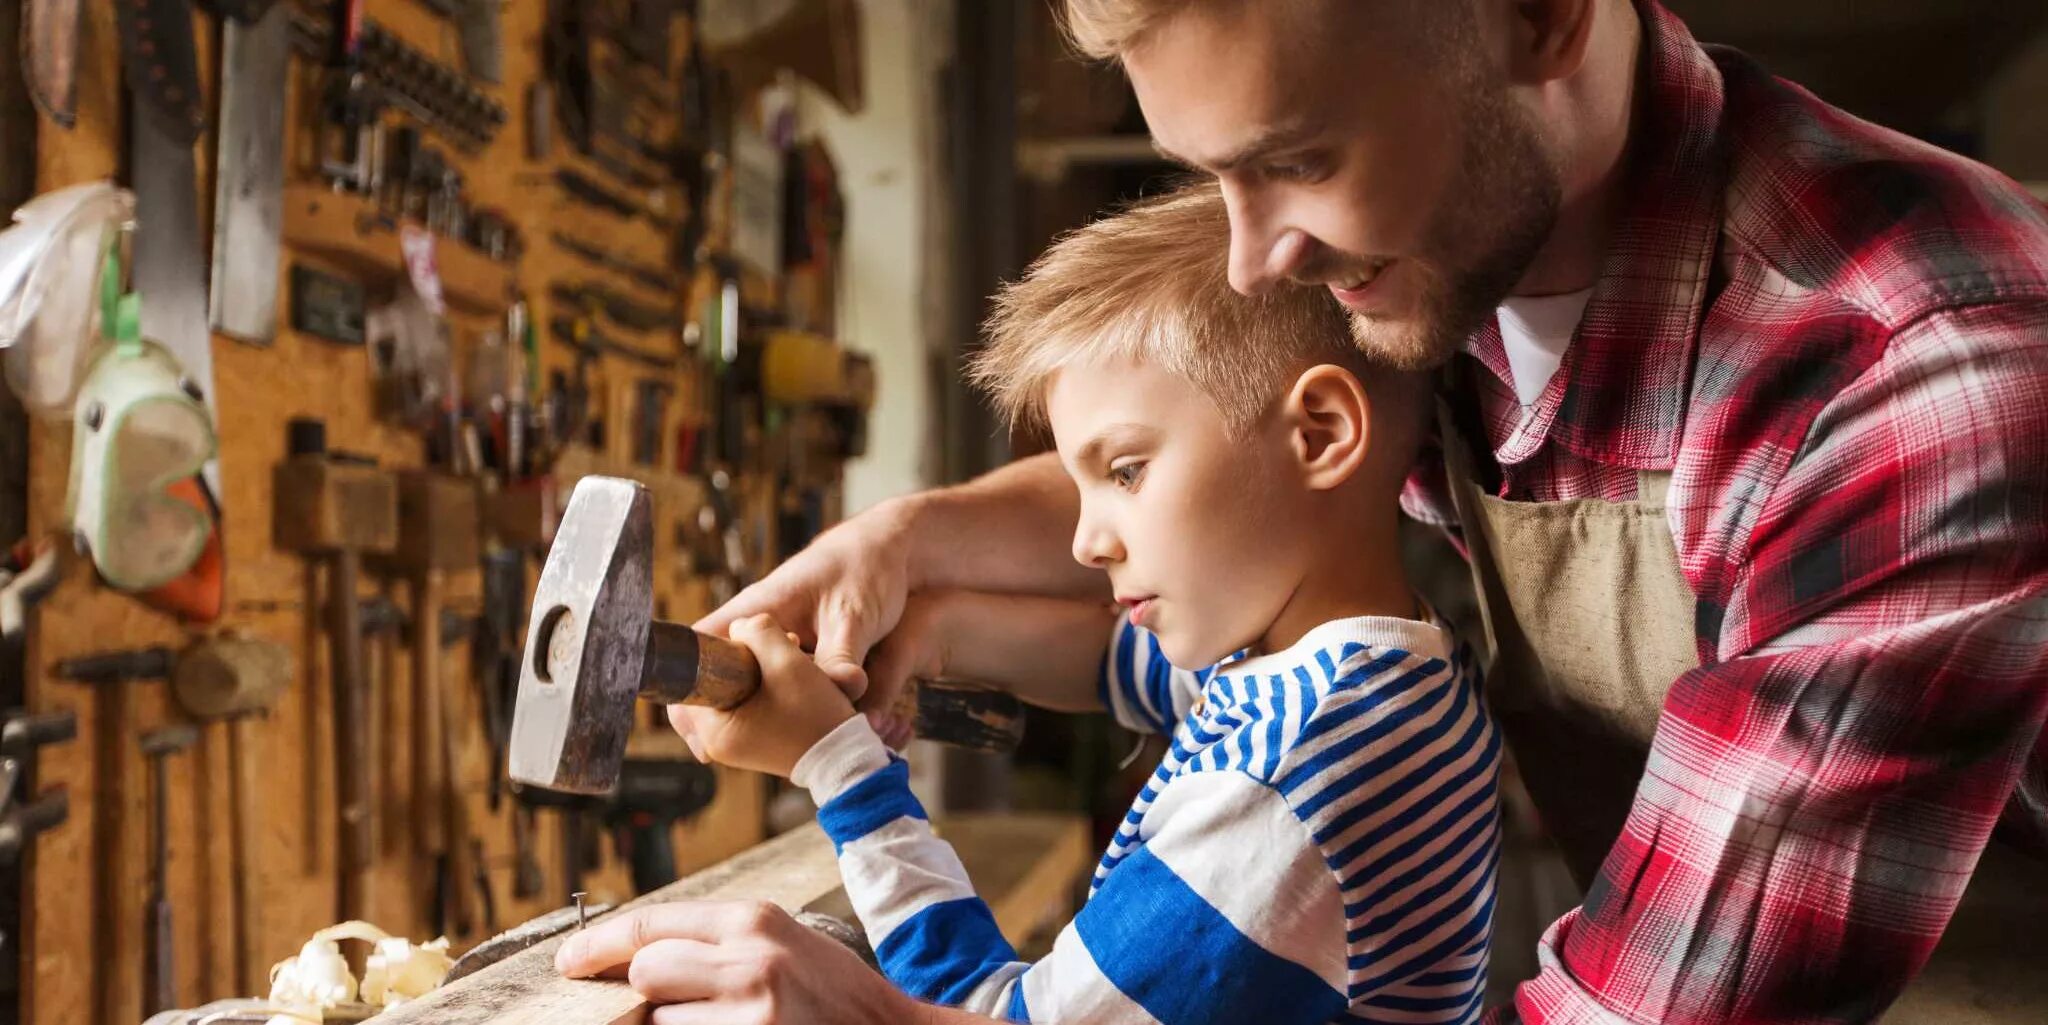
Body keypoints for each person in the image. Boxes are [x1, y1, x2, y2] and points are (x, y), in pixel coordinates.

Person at [559, 0, 2048, 1022]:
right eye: (1214, 175)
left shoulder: (1902, 378)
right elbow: (1232, 489)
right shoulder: (1449, 260)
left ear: (1538, 15)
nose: (1256, 260)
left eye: (1295, 159)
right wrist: (907, 554)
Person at [564, 185, 1504, 1024]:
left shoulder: (1301, 777)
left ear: (1321, 433)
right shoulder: (1370, 666)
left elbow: (992, 1012)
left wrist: (840, 770)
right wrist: (938, 628)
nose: (1084, 540)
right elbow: (1115, 662)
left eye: (1126, 469)